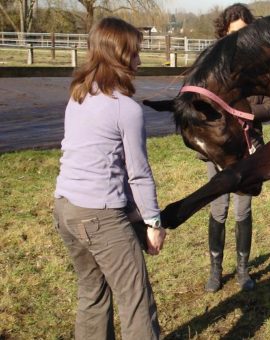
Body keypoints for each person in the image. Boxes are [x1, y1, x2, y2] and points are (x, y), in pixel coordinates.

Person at [52, 17, 166, 340]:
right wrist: (153, 223)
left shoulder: (78, 96)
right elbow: (138, 174)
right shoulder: (126, 109)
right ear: (118, 55)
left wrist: (135, 215)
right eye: (134, 54)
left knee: (92, 293)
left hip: (65, 210)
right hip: (99, 216)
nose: (139, 62)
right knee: (136, 300)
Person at [202, 3, 270, 293]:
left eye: (244, 32)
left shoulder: (262, 66)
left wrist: (244, 113)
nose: (239, 39)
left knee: (242, 208)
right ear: (223, 33)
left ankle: (243, 271)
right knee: (218, 208)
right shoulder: (212, 65)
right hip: (219, 148)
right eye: (233, 33)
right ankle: (215, 270)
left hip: (249, 148)